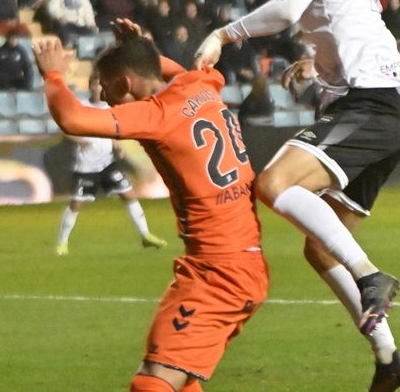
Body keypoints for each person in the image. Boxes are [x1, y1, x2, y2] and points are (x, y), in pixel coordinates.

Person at [195, 0, 400, 391]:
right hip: (379, 108)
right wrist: (317, 64)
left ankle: (369, 275)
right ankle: (388, 358)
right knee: (320, 249)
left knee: (273, 185)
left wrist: (223, 34)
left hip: (370, 107)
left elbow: (287, 10)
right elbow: (354, 24)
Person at [34, 24, 266, 392]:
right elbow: (163, 73)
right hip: (239, 261)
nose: (107, 100)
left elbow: (73, 118)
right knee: (180, 376)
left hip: (219, 271)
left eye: (108, 90)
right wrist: (141, 47)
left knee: (152, 383)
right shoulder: (202, 85)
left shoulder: (155, 115)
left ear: (125, 84)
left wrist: (52, 73)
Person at [54, 71, 167, 256]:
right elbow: (65, 129)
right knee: (76, 204)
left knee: (129, 195)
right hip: (87, 167)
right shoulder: (82, 107)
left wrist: (117, 145)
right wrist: (79, 140)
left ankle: (146, 235)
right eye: (94, 84)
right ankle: (62, 243)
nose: (98, 88)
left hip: (107, 163)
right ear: (89, 86)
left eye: (100, 84)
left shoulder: (108, 107)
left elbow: (112, 129)